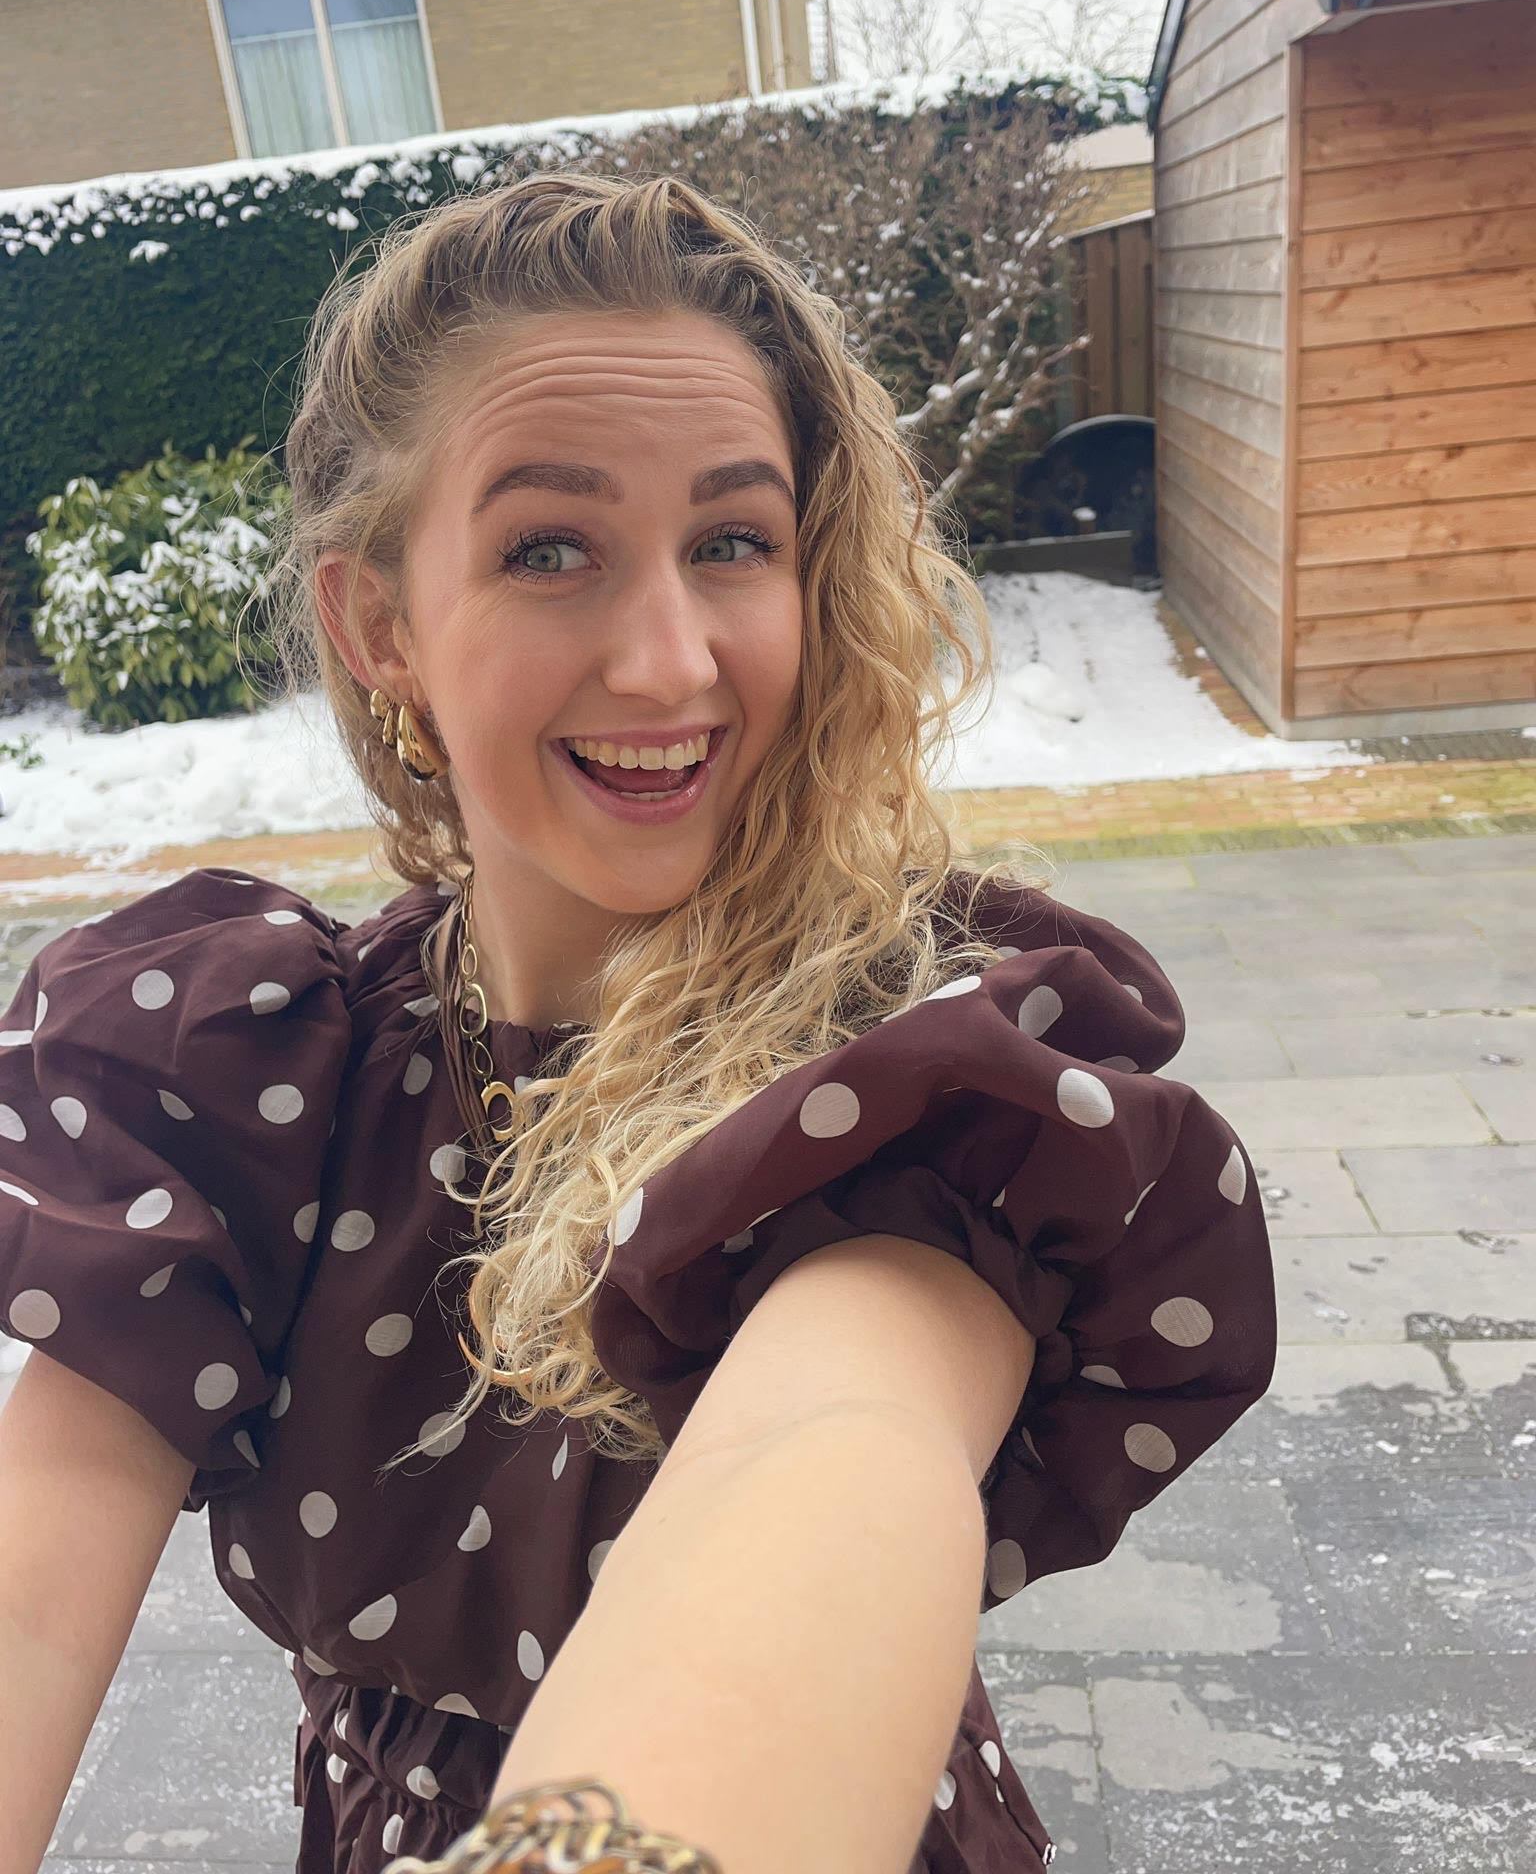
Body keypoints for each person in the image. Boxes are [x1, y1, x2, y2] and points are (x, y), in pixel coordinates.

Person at [0, 172, 1276, 1874]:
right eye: (551, 550)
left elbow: (837, 1439)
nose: (671, 662)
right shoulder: (259, 1070)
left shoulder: (903, 1060)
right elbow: (33, 1585)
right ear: (380, 624)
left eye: (732, 543)